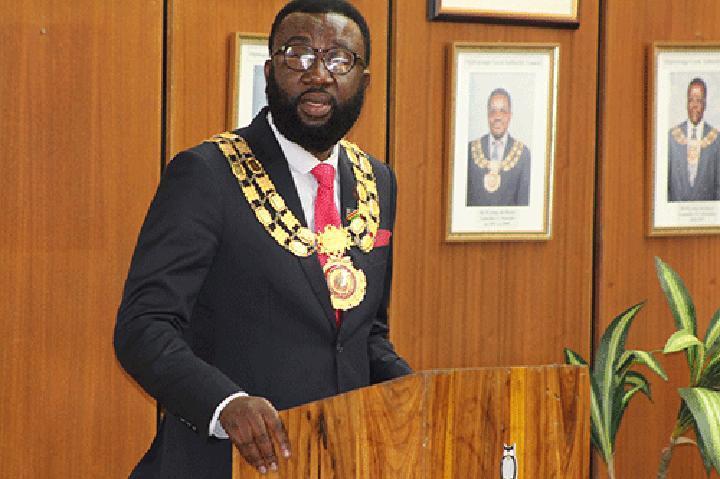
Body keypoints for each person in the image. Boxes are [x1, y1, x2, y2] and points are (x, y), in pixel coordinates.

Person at [113, 1, 411, 477]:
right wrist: (225, 404)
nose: (318, 74)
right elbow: (143, 328)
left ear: (364, 80)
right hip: (222, 462)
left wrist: (415, 391)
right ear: (270, 70)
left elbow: (363, 334)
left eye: (339, 59)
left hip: (333, 461)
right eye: (299, 54)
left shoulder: (378, 180)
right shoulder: (207, 173)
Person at [466, 88, 531, 206]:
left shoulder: (523, 155)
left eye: (503, 111)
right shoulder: (469, 151)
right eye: (493, 111)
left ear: (510, 116)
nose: (497, 117)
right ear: (487, 115)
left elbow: (524, 206)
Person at [667, 77, 720, 202]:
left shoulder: (716, 140)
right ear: (686, 103)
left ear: (705, 104)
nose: (694, 106)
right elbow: (665, 186)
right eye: (691, 100)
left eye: (699, 100)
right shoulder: (671, 138)